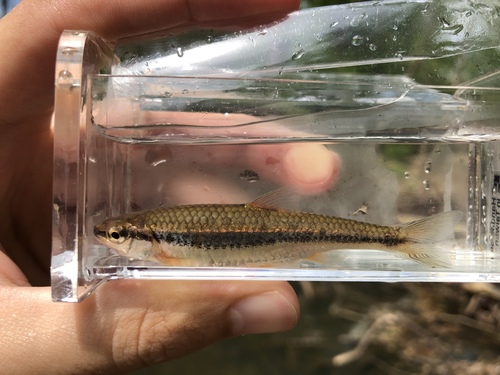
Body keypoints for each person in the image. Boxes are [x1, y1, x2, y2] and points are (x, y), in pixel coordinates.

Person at [0, 0, 341, 373]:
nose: (108, 237)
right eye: (115, 234)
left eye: (116, 234)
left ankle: (395, 239)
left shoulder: (161, 239)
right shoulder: (159, 234)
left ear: (144, 236)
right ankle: (392, 239)